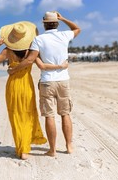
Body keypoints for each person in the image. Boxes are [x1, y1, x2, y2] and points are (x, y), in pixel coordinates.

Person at [0, 21, 68, 160]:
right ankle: (25, 148)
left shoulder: (7, 51)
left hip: (13, 86)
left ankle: (22, 149)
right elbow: (43, 66)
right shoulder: (30, 52)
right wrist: (60, 65)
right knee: (27, 115)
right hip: (27, 86)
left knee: (16, 117)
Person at [8, 12, 81, 157]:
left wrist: (14, 69)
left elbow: (29, 60)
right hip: (63, 80)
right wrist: (64, 18)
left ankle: (52, 150)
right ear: (57, 23)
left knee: (49, 116)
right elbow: (77, 29)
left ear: (44, 24)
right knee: (65, 114)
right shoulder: (64, 36)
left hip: (47, 82)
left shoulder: (38, 40)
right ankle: (69, 145)